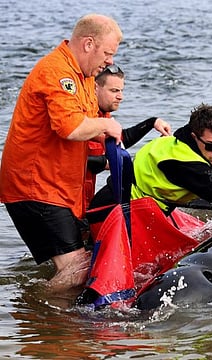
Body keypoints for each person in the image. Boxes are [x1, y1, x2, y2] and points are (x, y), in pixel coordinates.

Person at [0, 14, 123, 291]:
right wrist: (105, 124)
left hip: (58, 188)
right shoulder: (57, 73)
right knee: (78, 269)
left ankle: (54, 315)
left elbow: (91, 129)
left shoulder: (85, 78)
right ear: (88, 44)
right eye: (108, 53)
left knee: (83, 263)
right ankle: (35, 305)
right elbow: (71, 128)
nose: (110, 61)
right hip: (34, 186)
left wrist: (111, 137)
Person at [85, 64, 171, 209]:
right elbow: (71, 160)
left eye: (121, 90)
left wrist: (152, 123)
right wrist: (106, 162)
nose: (120, 97)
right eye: (114, 91)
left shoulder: (103, 114)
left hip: (84, 193)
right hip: (61, 197)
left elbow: (119, 139)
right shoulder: (83, 116)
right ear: (95, 88)